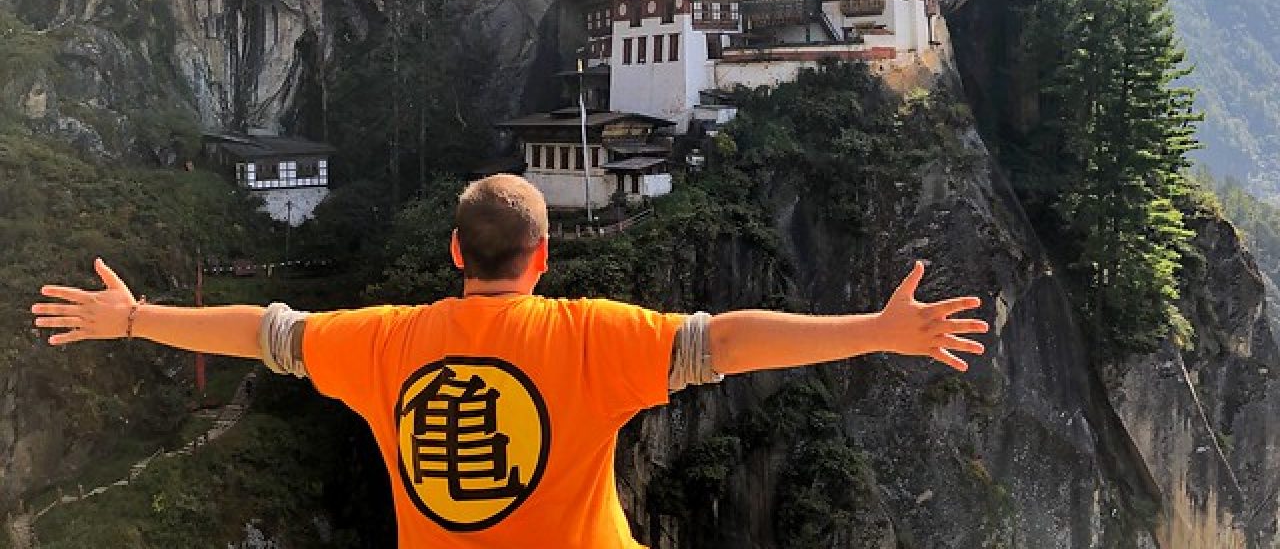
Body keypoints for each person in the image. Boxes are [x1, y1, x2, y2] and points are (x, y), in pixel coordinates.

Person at [32, 174, 988, 549]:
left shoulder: (385, 341)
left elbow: (262, 332)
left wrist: (134, 317)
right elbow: (729, 341)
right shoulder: (588, 335)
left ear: (455, 251)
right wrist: (878, 329)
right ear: (543, 257)